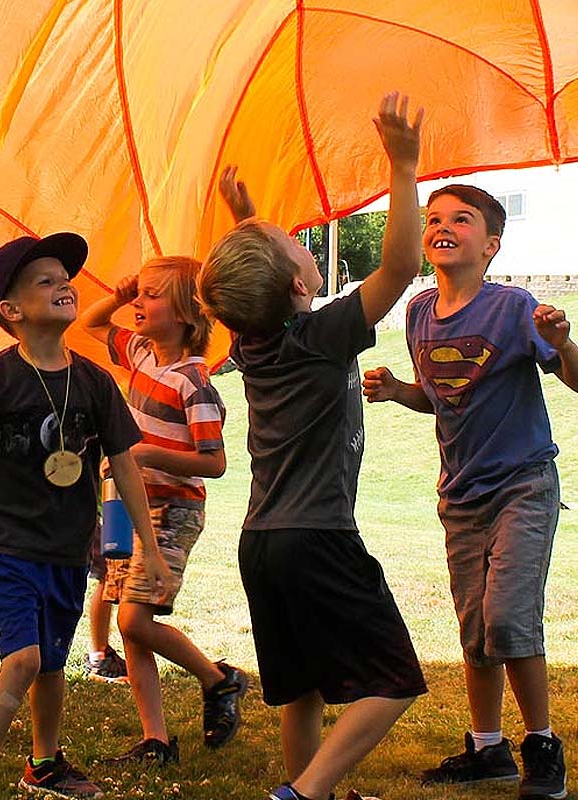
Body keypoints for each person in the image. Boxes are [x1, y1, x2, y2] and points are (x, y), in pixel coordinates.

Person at [199, 92, 428, 800]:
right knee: (392, 680)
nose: (299, 235)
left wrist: (246, 221)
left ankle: (307, 787)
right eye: (291, 239)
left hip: (261, 542)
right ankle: (305, 793)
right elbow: (397, 268)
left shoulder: (254, 338)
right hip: (317, 536)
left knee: (300, 691)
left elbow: (262, 282)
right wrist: (403, 166)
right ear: (302, 282)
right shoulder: (319, 335)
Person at [362, 181, 578, 799]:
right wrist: (396, 392)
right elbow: (441, 394)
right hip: (460, 493)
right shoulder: (416, 312)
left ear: (490, 244)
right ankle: (487, 749)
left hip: (522, 484)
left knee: (509, 619)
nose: (442, 226)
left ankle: (543, 746)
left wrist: (564, 340)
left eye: (460, 220)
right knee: (475, 628)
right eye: (434, 218)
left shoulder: (513, 308)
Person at [0, 232, 170, 800]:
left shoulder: (94, 383)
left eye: (64, 278)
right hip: (7, 545)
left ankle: (45, 763)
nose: (63, 285)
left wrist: (149, 546)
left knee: (51, 665)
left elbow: (125, 468)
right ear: (12, 311)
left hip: (66, 550)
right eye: (45, 280)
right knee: (22, 661)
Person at [78, 254, 246, 765]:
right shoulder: (141, 354)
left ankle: (219, 680)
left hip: (172, 509)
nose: (139, 303)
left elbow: (213, 462)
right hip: (126, 504)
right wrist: (122, 291)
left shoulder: (194, 382)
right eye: (139, 293)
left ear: (187, 314)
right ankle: (155, 740)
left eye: (152, 295)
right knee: (130, 623)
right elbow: (91, 322)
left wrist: (147, 454)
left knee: (132, 618)